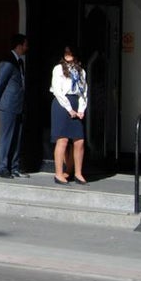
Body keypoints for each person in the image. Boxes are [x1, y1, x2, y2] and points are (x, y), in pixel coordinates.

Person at [50, 45, 88, 185]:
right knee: (63, 139)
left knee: (79, 140)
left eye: (70, 53)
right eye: (66, 53)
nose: (68, 55)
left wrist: (81, 109)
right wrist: (69, 109)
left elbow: (84, 92)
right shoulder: (58, 69)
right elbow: (58, 91)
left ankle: (78, 173)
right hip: (62, 104)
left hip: (76, 103)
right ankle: (59, 173)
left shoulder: (81, 72)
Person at [0, 33, 28, 179]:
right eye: (25, 44)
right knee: (6, 136)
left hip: (18, 105)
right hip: (7, 104)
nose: (27, 47)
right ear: (19, 46)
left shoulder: (19, 62)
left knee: (16, 137)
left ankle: (14, 167)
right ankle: (2, 167)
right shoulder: (8, 62)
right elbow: (0, 83)